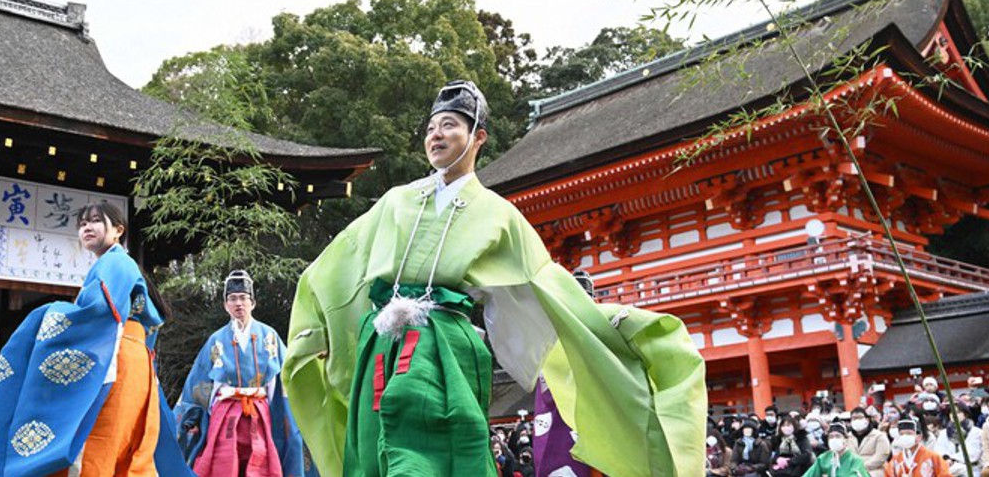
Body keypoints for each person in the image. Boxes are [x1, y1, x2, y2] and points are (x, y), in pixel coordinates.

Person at [282, 80, 706, 477]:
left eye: (449, 125)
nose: (436, 135)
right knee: (372, 443)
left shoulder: (499, 214)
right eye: (431, 128)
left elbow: (542, 281)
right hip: (382, 340)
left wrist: (605, 325)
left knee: (443, 440)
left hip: (444, 341)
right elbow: (337, 266)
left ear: (478, 136)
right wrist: (317, 330)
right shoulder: (396, 201)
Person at [0, 201, 189, 476]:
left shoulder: (116, 262)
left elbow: (98, 311)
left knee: (101, 441)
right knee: (124, 447)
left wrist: (49, 313)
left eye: (95, 221)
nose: (87, 227)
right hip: (130, 358)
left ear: (118, 230)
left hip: (118, 359)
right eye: (82, 224)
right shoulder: (116, 263)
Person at [173, 270, 304, 476]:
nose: (238, 303)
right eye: (232, 299)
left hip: (259, 412)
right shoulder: (216, 340)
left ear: (253, 303)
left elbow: (285, 379)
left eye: (243, 298)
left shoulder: (269, 336)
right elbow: (198, 384)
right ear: (226, 305)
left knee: (261, 462)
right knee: (224, 464)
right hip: (225, 413)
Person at [884, 419, 951, 477]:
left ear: (919, 436)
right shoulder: (896, 459)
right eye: (901, 434)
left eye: (909, 434)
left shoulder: (933, 457)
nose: (904, 437)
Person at [802, 422, 870, 477]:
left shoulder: (855, 460)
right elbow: (810, 474)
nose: (834, 439)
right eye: (831, 437)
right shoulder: (823, 458)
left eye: (838, 436)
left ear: (846, 440)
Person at [847, 406, 890, 477]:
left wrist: (861, 467)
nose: (857, 420)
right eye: (854, 418)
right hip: (851, 470)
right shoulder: (847, 437)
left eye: (860, 418)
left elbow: (881, 456)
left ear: (867, 420)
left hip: (874, 470)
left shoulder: (879, 436)